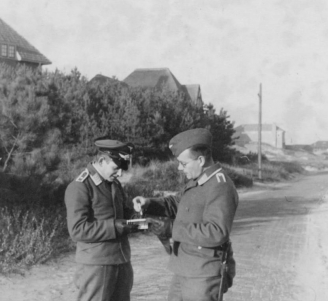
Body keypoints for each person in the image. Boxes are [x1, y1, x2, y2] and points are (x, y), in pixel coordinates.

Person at [133, 128, 238, 301]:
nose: (179, 168)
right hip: (184, 266)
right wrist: (150, 203)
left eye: (183, 163)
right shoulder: (198, 180)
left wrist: (172, 228)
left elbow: (216, 232)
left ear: (201, 160)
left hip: (203, 273)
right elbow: (177, 203)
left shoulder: (220, 186)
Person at [65, 139, 139, 301]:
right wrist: (115, 227)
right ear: (101, 161)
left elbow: (119, 214)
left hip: (121, 260)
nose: (119, 174)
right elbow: (77, 230)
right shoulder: (80, 187)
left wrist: (136, 215)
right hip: (96, 264)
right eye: (116, 168)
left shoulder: (113, 183)